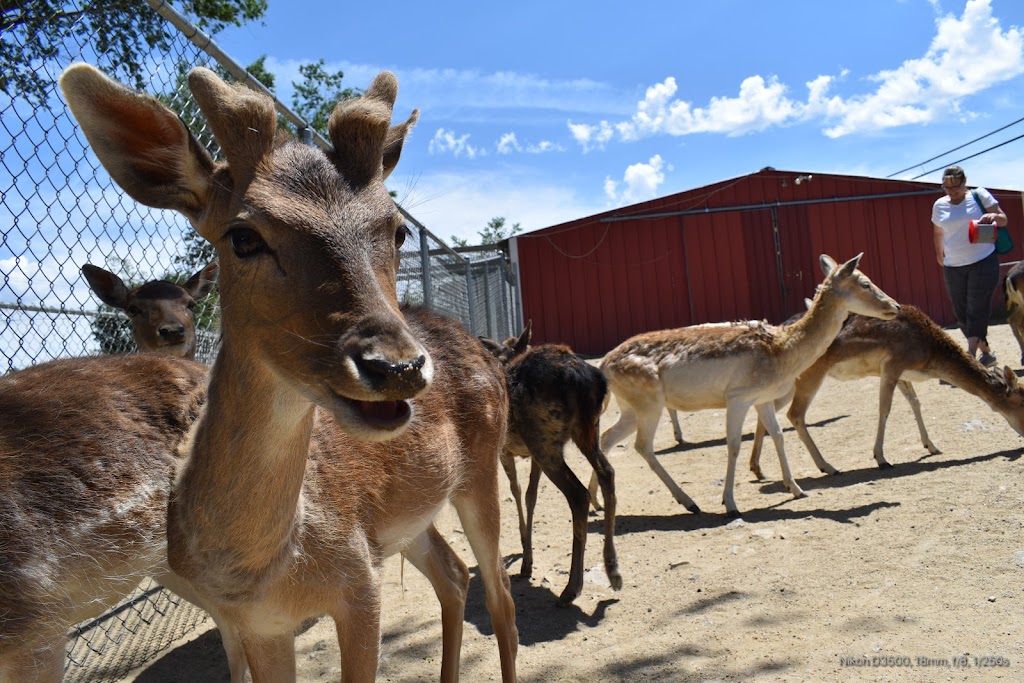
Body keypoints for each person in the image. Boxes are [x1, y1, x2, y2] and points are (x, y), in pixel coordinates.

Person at [931, 165, 1008, 367]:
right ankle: (987, 354)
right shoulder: (939, 205)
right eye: (947, 188)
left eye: (956, 187)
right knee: (961, 312)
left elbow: (1003, 219)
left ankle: (970, 357)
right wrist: (939, 254)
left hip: (983, 260)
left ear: (964, 182)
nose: (952, 191)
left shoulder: (979, 195)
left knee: (977, 308)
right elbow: (938, 232)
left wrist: (993, 217)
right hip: (953, 264)